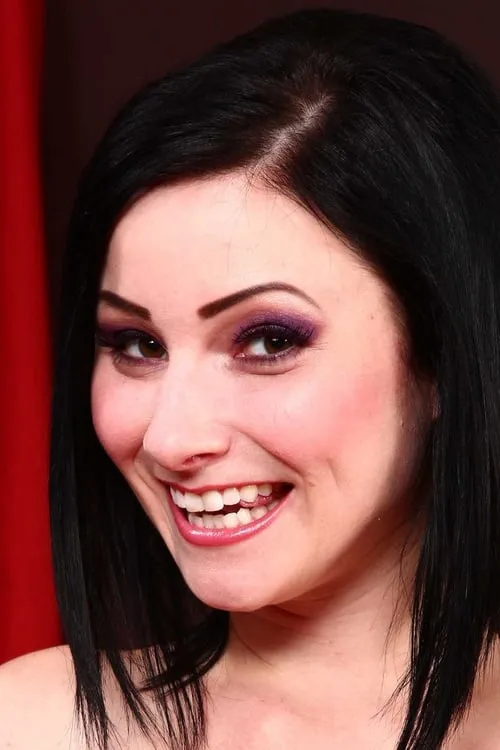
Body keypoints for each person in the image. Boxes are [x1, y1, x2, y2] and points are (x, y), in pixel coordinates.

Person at [2, 7, 500, 749]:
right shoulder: (25, 724)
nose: (171, 438)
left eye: (268, 341)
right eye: (137, 344)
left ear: (440, 357)